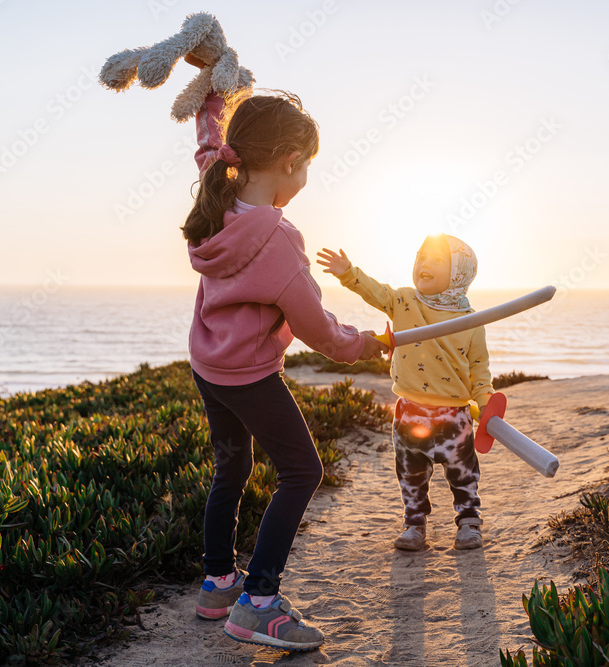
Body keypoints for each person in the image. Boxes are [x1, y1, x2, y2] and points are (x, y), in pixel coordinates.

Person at [182, 56, 386, 651]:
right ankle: (260, 602)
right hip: (247, 375)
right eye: (309, 168)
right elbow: (320, 332)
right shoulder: (277, 238)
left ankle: (218, 583)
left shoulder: (216, 185)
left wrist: (215, 94)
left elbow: (207, 137)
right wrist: (369, 344)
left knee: (233, 466)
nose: (306, 181)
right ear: (292, 163)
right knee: (302, 470)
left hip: (207, 365)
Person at [317, 234, 493, 551]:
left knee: (463, 474)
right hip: (409, 413)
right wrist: (347, 272)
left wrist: (486, 401)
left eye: (438, 260)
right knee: (411, 475)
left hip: (454, 415)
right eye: (420, 257)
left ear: (458, 273)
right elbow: (373, 291)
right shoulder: (402, 301)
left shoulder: (471, 320)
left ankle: (468, 523)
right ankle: (414, 524)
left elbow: (479, 366)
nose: (424, 264)